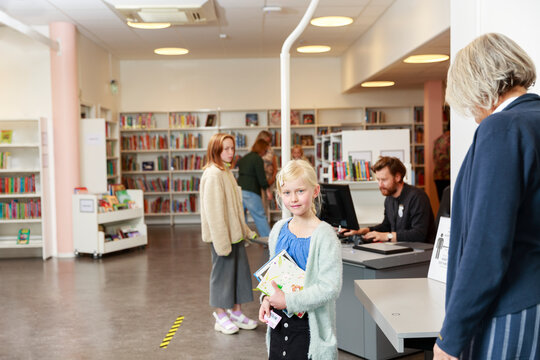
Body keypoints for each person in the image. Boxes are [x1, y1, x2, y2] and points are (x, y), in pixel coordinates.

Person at [434, 33, 540, 360]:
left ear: (479, 85)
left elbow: (487, 243)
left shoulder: (502, 128)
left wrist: (449, 340)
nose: (473, 114)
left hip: (512, 304)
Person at [258, 159, 342, 360]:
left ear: (315, 191)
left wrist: (288, 300)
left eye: (300, 191)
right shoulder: (278, 230)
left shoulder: (325, 235)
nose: (293, 199)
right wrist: (266, 299)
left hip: (308, 330)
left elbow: (330, 287)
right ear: (280, 195)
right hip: (278, 325)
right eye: (287, 193)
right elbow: (273, 276)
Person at [199, 133, 259, 335]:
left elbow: (235, 207)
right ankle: (220, 314)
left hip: (235, 235)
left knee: (240, 274)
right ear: (215, 149)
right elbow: (214, 212)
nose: (230, 152)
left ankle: (236, 311)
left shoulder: (226, 172)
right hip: (222, 237)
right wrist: (222, 242)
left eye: (232, 148)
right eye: (225, 148)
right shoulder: (213, 174)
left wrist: (245, 231)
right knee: (222, 276)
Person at [343, 156, 435, 243]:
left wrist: (387, 236)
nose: (380, 185)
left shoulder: (417, 197)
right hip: (402, 249)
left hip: (421, 252)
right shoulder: (389, 199)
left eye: (384, 180)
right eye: (378, 180)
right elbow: (386, 226)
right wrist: (362, 231)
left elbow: (419, 234)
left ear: (397, 177)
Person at [237, 138, 272, 237]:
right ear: (262, 149)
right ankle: (268, 239)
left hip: (239, 189)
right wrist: (267, 191)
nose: (266, 152)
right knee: (259, 216)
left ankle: (242, 239)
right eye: (266, 150)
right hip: (251, 190)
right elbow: (261, 177)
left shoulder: (244, 158)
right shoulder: (257, 159)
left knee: (241, 216)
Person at [433, 123, 450, 201]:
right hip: (448, 176)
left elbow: (434, 157)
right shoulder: (451, 139)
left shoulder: (438, 139)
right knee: (450, 203)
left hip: (438, 175)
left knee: (442, 203)